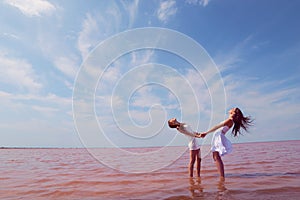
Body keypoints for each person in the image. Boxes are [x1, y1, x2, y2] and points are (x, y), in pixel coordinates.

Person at [200, 107, 253, 180]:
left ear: (234, 113)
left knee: (216, 157)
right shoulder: (231, 121)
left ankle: (222, 176)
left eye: (233, 109)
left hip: (218, 137)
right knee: (215, 157)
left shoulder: (230, 120)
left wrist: (206, 133)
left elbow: (216, 127)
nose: (231, 108)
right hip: (218, 136)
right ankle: (221, 175)